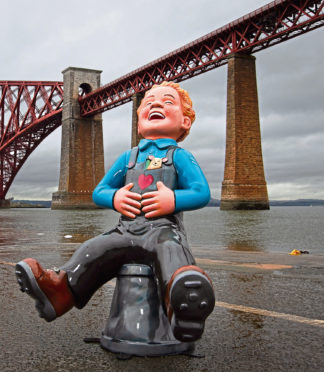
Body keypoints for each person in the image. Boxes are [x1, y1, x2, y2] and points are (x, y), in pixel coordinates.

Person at [16, 81, 215, 342]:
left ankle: (180, 302)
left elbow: (202, 192)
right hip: (125, 232)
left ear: (185, 123)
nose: (156, 103)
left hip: (163, 230)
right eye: (149, 102)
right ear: (139, 122)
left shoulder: (180, 156)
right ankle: (60, 292)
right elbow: (99, 191)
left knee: (171, 251)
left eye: (168, 102)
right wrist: (116, 196)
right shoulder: (128, 158)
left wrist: (173, 199)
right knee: (93, 249)